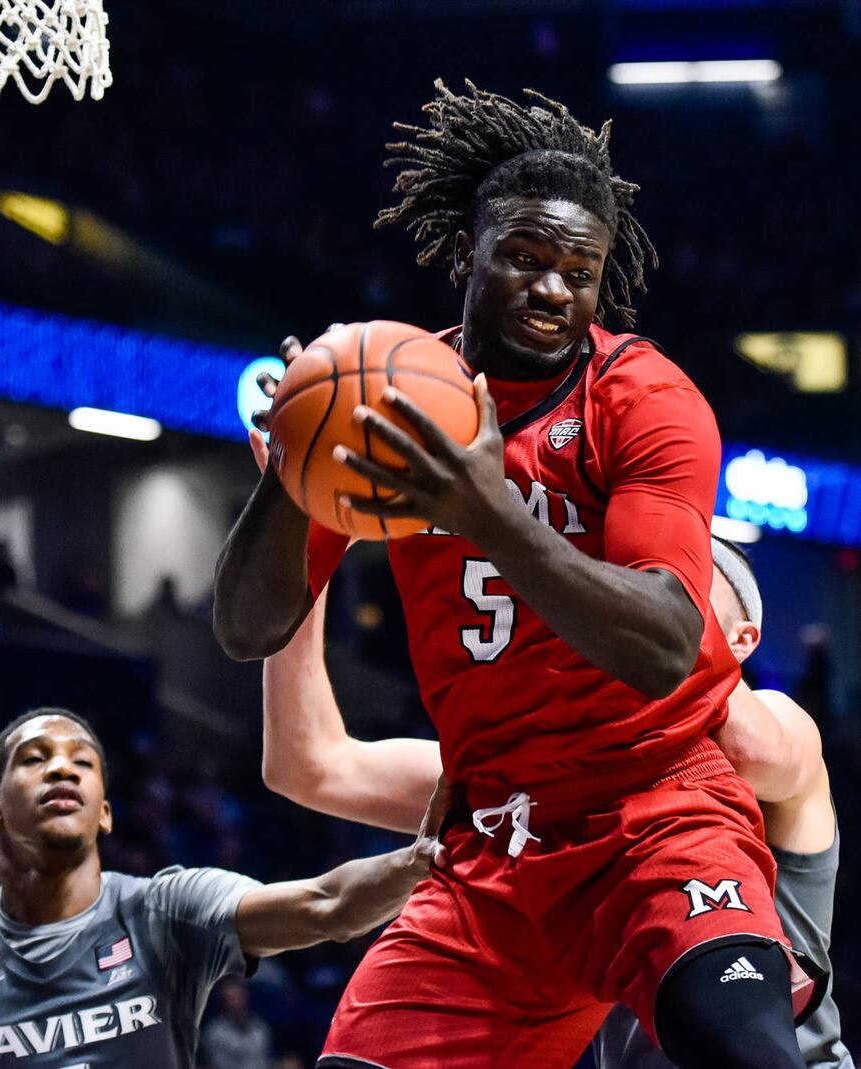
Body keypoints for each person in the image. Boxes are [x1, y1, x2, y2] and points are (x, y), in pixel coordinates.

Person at [214, 81, 818, 1069]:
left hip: (653, 814)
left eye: (577, 271)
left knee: (748, 1055)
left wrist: (483, 508)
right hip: (493, 842)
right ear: (465, 256)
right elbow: (247, 627)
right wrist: (290, 474)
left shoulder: (644, 399)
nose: (551, 290)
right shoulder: (394, 400)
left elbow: (665, 642)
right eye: (526, 259)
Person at [257, 535, 853, 1068]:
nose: (640, 591)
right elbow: (310, 766)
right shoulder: (529, 776)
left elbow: (749, 749)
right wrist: (306, 543)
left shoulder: (777, 719)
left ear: (743, 639)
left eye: (681, 580)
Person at [0, 709, 445, 1069]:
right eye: (35, 760)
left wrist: (421, 858)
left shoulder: (162, 911)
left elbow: (326, 905)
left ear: (107, 814)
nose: (62, 770)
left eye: (82, 763)